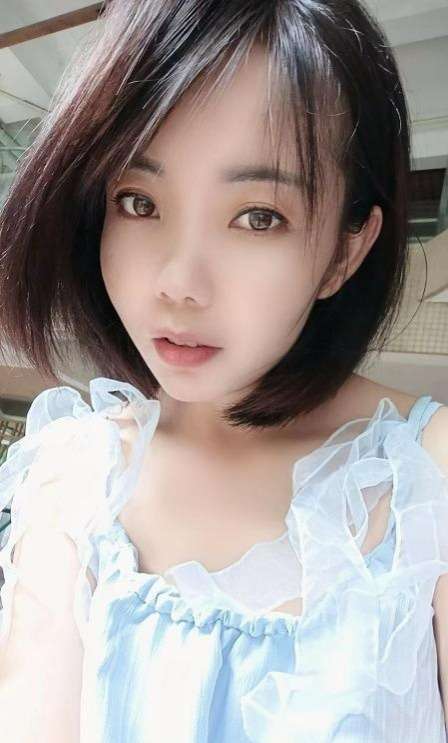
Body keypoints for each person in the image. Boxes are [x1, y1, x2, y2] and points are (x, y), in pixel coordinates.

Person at [0, 0, 447, 740]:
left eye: (258, 216)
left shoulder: (425, 480)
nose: (179, 283)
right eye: (138, 201)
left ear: (345, 250)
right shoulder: (74, 477)